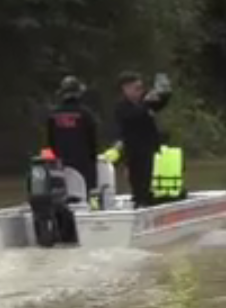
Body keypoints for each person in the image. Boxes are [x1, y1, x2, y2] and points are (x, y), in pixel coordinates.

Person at [109, 70, 170, 208]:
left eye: (141, 88)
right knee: (137, 179)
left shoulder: (144, 102)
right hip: (132, 149)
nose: (140, 91)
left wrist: (163, 91)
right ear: (126, 89)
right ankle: (139, 202)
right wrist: (146, 104)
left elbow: (161, 103)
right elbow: (132, 117)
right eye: (136, 88)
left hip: (147, 147)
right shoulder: (122, 106)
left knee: (147, 177)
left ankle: (145, 200)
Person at [45, 76, 100, 194]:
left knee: (62, 193)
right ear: (79, 93)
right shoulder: (86, 114)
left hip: (60, 163)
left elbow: (50, 141)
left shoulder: (53, 115)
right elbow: (93, 142)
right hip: (83, 163)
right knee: (85, 193)